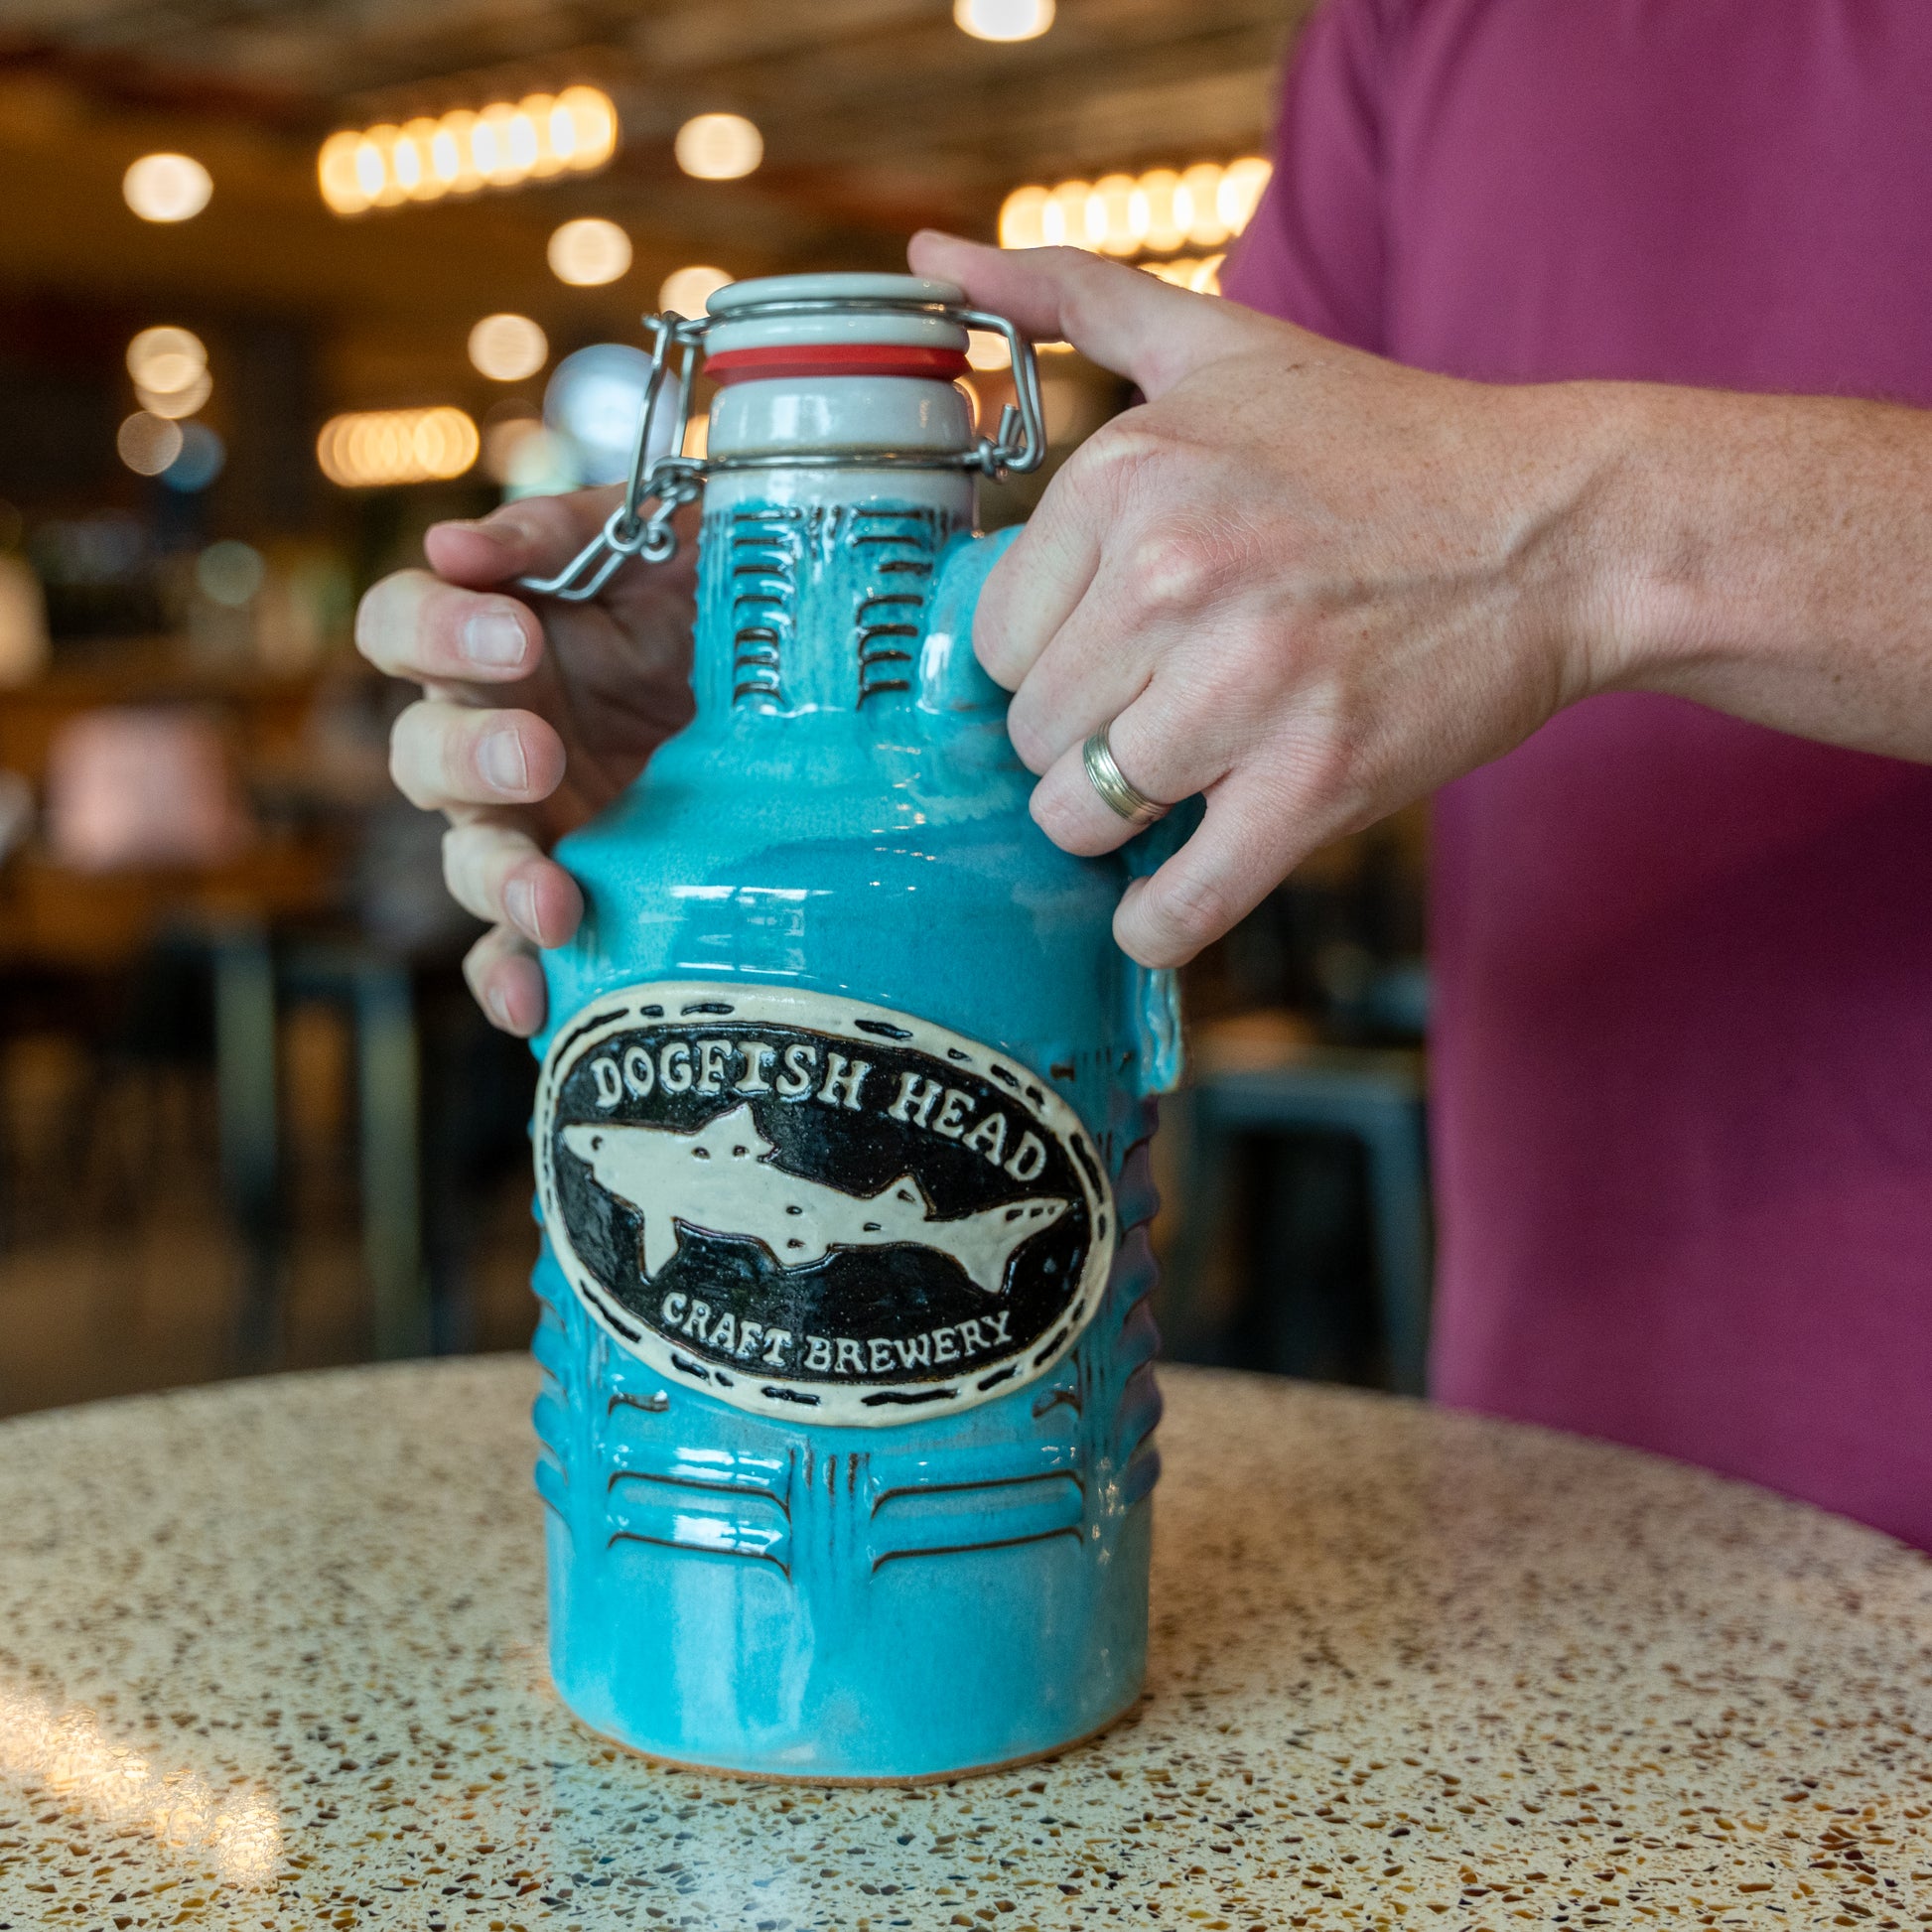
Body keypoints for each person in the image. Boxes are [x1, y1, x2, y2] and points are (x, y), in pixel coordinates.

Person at [357, 0, 1932, 1549]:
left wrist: (1582, 534)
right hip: (1558, 1471)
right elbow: (1262, 584)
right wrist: (770, 688)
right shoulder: (1414, 27)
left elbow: (1477, 530)